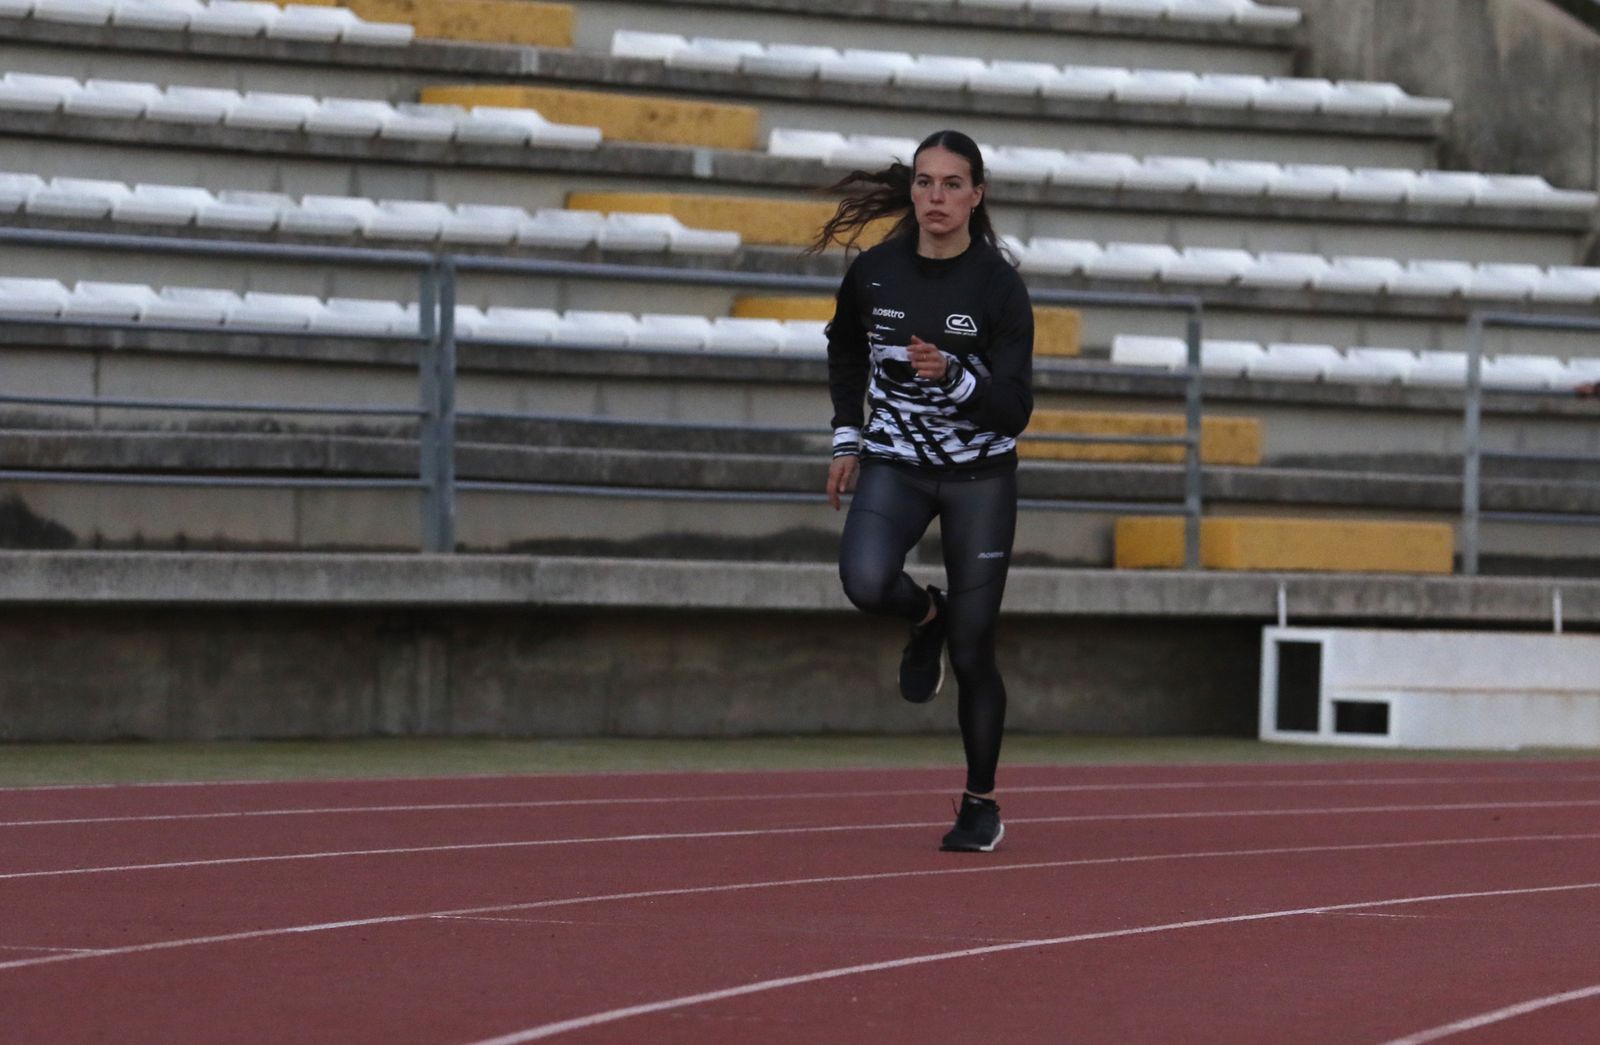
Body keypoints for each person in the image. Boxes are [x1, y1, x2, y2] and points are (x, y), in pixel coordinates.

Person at [813, 129, 1034, 853]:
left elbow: (1014, 410)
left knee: (975, 651)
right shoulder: (876, 271)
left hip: (979, 473)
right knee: (865, 579)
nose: (934, 197)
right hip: (897, 461)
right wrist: (849, 437)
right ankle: (924, 613)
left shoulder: (999, 286)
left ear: (977, 194)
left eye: (950, 184)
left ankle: (980, 802)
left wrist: (957, 377)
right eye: (924, 182)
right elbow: (843, 347)